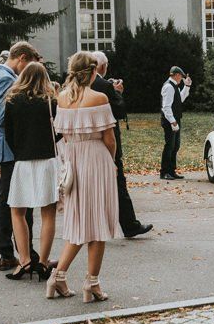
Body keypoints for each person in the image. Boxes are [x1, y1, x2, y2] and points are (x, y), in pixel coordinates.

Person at [47, 52, 122, 302]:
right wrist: (111, 162)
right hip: (96, 159)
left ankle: (58, 276)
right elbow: (109, 139)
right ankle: (92, 283)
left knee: (80, 222)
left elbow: (64, 136)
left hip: (74, 159)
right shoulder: (99, 98)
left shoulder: (62, 98)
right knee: (98, 223)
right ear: (92, 72)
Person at [0, 41, 41, 271]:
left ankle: (13, 252)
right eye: (28, 65)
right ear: (22, 58)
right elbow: (2, 117)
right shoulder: (6, 80)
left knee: (9, 199)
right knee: (19, 202)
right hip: (12, 148)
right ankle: (17, 253)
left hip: (5, 147)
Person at [3, 62, 60, 281]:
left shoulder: (13, 101)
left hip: (23, 161)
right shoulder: (50, 101)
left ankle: (25, 260)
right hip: (47, 160)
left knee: (17, 211)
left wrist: (20, 149)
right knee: (48, 213)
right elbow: (59, 131)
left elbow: (8, 133)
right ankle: (43, 262)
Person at [90, 51, 152, 238]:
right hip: (107, 139)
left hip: (86, 141)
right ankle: (129, 225)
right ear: (103, 66)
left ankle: (94, 224)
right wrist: (117, 92)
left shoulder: (79, 84)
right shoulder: (104, 86)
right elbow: (119, 111)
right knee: (118, 183)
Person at [160, 66, 192, 180]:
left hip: (175, 119)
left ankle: (171, 170)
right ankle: (164, 172)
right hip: (170, 120)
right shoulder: (169, 87)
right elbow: (166, 107)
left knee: (175, 146)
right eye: (181, 77)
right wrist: (173, 121)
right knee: (169, 145)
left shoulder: (175, 87)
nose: (181, 79)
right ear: (177, 75)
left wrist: (187, 86)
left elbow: (181, 98)